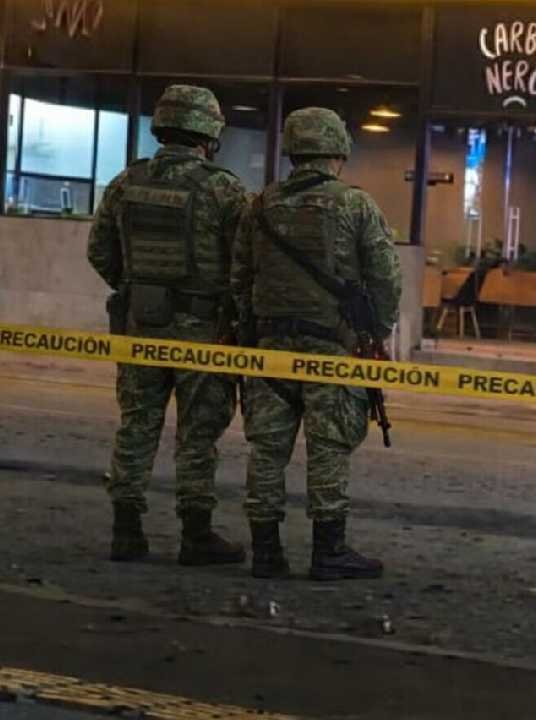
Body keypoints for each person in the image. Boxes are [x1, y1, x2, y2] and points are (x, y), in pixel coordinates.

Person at [231, 107, 402, 581]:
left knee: (267, 449)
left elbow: (241, 277)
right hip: (331, 349)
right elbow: (386, 278)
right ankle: (329, 551)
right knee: (328, 446)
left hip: (270, 347)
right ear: (337, 152)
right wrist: (376, 332)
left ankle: (266, 552)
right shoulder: (355, 205)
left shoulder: (260, 204)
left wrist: (250, 332)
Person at [87, 85, 249, 566]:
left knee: (137, 425)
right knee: (198, 433)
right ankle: (195, 534)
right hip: (202, 329)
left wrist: (139, 288)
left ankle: (126, 531)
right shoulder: (224, 188)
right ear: (209, 133)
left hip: (142, 324)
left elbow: (99, 252)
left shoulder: (125, 182)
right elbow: (243, 263)